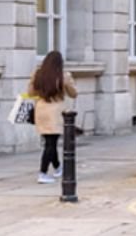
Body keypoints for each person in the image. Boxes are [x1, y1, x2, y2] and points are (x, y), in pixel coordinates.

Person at [28, 51, 77, 184]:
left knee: (50, 142)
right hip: (55, 112)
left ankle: (58, 168)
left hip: (41, 110)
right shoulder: (63, 76)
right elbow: (73, 93)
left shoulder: (37, 74)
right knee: (50, 144)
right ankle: (42, 173)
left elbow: (30, 93)